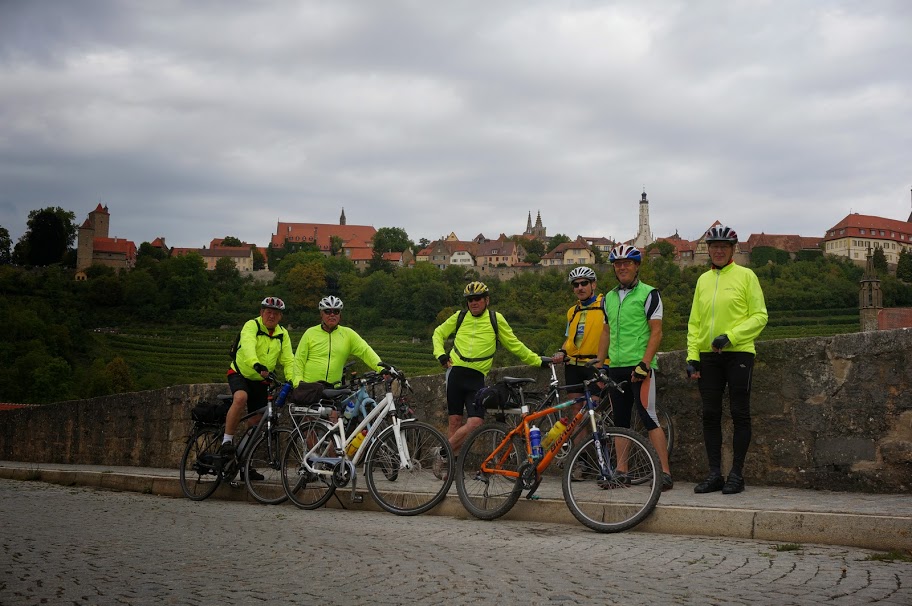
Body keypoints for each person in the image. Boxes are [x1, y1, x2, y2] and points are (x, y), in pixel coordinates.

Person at [432, 281, 551, 476]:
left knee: (475, 422)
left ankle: (442, 452)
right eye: (470, 300)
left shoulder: (496, 319)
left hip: (476, 377)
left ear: (486, 300)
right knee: (454, 421)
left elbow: (514, 345)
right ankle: (450, 466)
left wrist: (537, 360)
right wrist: (441, 355)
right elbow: (438, 333)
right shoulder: (459, 317)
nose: (473, 302)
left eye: (477, 298)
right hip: (455, 373)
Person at [686, 225, 768, 495]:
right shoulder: (702, 280)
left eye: (724, 247)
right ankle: (714, 474)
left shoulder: (746, 276)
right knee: (710, 415)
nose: (718, 250)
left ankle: (737, 474)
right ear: (708, 249)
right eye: (714, 246)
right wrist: (692, 357)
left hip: (739, 353)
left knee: (739, 413)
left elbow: (760, 316)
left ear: (732, 249)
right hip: (708, 357)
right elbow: (695, 322)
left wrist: (730, 336)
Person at [595, 245, 673, 491]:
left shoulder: (650, 294)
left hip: (639, 367)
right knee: (620, 422)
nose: (622, 267)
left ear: (637, 266)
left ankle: (664, 472)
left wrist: (645, 363)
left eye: (627, 263)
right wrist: (599, 364)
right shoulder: (607, 297)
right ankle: (622, 471)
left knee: (649, 418)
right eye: (618, 264)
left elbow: (656, 331)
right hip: (616, 366)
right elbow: (606, 332)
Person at [220, 296, 296, 480]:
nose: (271, 316)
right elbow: (247, 346)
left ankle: (245, 464)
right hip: (241, 373)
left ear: (280, 317)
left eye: (276, 313)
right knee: (240, 398)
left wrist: (294, 380)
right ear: (261, 313)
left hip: (261, 381)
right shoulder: (251, 326)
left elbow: (288, 360)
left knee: (256, 424)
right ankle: (226, 441)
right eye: (268, 312)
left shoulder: (282, 334)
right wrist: (255, 364)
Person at [551, 266, 607, 449]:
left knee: (595, 413)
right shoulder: (572, 311)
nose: (580, 287)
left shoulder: (605, 304)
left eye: (584, 283)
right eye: (576, 285)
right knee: (577, 412)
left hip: (595, 365)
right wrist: (562, 351)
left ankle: (604, 461)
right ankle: (579, 461)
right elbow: (570, 337)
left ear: (593, 285)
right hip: (573, 366)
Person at [292, 295, 384, 391]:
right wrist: (298, 383)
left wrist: (382, 369)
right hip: (309, 389)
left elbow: (365, 351)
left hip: (334, 390)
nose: (332, 314)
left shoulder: (348, 334)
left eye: (336, 311)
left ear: (340, 315)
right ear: (321, 314)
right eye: (327, 311)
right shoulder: (310, 333)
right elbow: (299, 360)